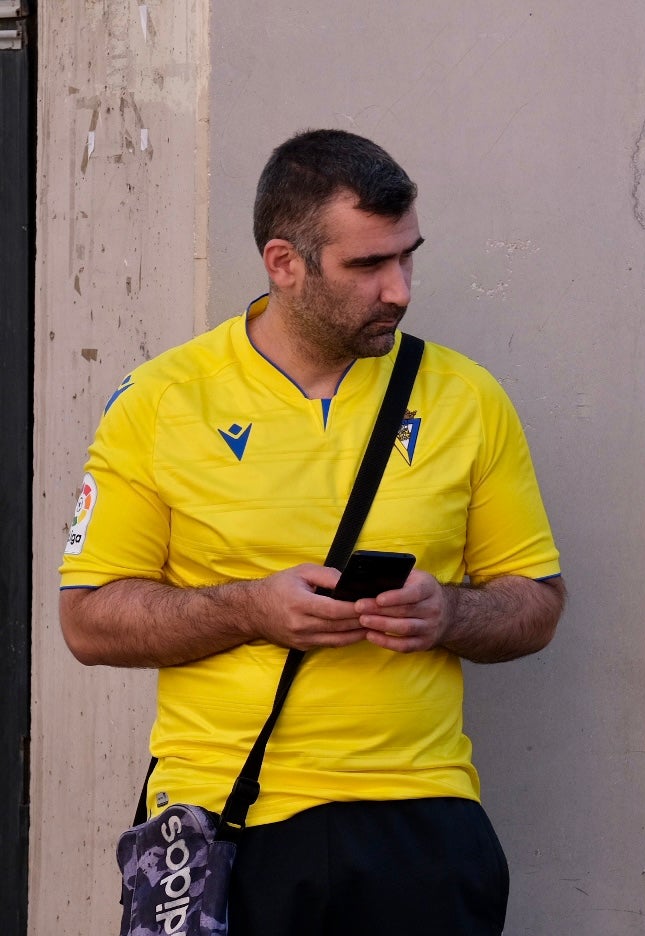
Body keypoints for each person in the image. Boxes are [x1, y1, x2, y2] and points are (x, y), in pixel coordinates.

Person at [59, 129, 565, 935]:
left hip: (421, 817)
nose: (399, 290)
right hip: (226, 820)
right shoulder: (160, 402)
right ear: (284, 263)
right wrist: (249, 609)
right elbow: (87, 621)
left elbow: (536, 602)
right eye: (368, 265)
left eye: (408, 257)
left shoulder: (469, 398)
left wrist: (449, 614)